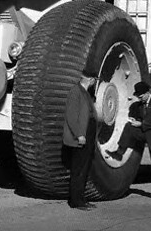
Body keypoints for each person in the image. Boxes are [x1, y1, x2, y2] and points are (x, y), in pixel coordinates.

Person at [106, 81, 151, 202]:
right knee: (129, 128)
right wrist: (134, 120)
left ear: (147, 93)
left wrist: (141, 124)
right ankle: (119, 152)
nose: (139, 98)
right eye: (138, 96)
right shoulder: (141, 104)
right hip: (146, 133)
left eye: (141, 96)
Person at [63, 75, 98, 210]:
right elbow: (71, 116)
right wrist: (79, 134)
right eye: (95, 80)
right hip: (81, 137)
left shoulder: (85, 93)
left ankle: (82, 198)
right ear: (90, 80)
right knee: (78, 170)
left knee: (85, 169)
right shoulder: (75, 92)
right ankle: (75, 201)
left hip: (88, 135)